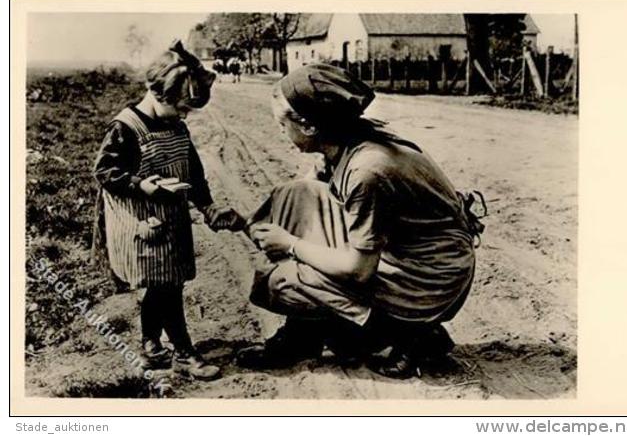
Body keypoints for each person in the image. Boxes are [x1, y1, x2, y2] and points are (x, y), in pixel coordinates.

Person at [236, 63, 480, 379]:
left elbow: (359, 269)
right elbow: (307, 194)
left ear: (309, 126)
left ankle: (406, 336)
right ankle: (311, 333)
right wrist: (245, 221)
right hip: (410, 251)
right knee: (294, 194)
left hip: (430, 275)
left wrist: (292, 245)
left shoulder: (367, 170)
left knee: (283, 281)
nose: (282, 133)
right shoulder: (348, 140)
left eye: (283, 125)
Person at [92, 40, 242, 381]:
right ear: (156, 94)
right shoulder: (126, 128)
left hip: (171, 219)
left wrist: (207, 206)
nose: (184, 115)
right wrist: (140, 184)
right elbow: (103, 172)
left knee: (165, 285)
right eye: (181, 108)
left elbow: (194, 171)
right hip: (142, 222)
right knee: (167, 287)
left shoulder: (176, 126)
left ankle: (150, 344)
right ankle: (184, 353)